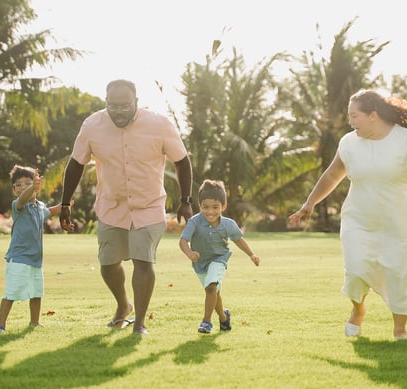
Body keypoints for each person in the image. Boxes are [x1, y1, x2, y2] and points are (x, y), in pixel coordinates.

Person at [288, 89, 407, 340]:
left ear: (373, 115)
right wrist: (310, 203)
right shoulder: (349, 143)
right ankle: (357, 311)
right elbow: (331, 175)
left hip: (398, 220)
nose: (350, 122)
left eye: (355, 116)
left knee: (399, 272)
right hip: (358, 219)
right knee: (355, 269)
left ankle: (400, 329)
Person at [60, 79, 193, 335]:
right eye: (112, 106)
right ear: (106, 103)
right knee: (108, 264)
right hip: (112, 206)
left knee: (144, 261)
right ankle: (124, 306)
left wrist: (185, 201)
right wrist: (65, 203)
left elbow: (182, 161)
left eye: (124, 105)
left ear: (136, 103)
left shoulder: (159, 124)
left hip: (149, 205)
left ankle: (140, 323)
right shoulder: (92, 126)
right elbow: (76, 164)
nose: (118, 111)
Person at [179, 180, 260, 334]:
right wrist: (189, 253)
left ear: (223, 206)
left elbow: (238, 239)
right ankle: (224, 318)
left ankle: (206, 322)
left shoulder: (228, 224)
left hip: (219, 260)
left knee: (211, 287)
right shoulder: (194, 222)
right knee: (214, 292)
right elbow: (183, 241)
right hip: (200, 264)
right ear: (200, 205)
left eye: (215, 207)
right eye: (206, 207)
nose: (210, 212)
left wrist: (251, 254)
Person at [0, 165, 63, 334]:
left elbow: (50, 211)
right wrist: (32, 187)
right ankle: (0, 325)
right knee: (11, 293)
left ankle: (35, 322)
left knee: (36, 292)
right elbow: (24, 198)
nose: (23, 187)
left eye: (28, 183)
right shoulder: (18, 205)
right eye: (19, 184)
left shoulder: (39, 207)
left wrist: (66, 204)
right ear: (14, 190)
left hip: (35, 260)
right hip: (19, 258)